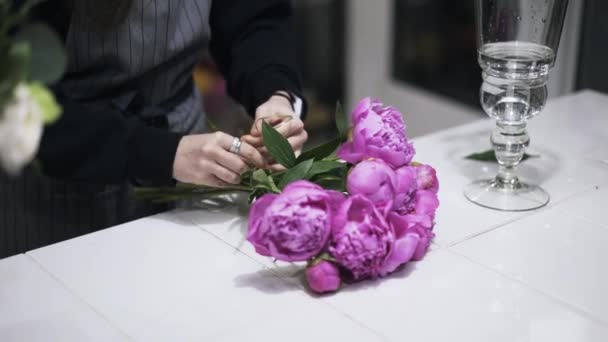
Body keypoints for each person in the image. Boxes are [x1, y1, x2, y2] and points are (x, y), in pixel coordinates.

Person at [0, 0, 308, 258]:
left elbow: (254, 17)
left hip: (185, 164)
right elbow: (12, 95)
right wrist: (157, 152)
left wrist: (276, 93)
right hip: (55, 183)